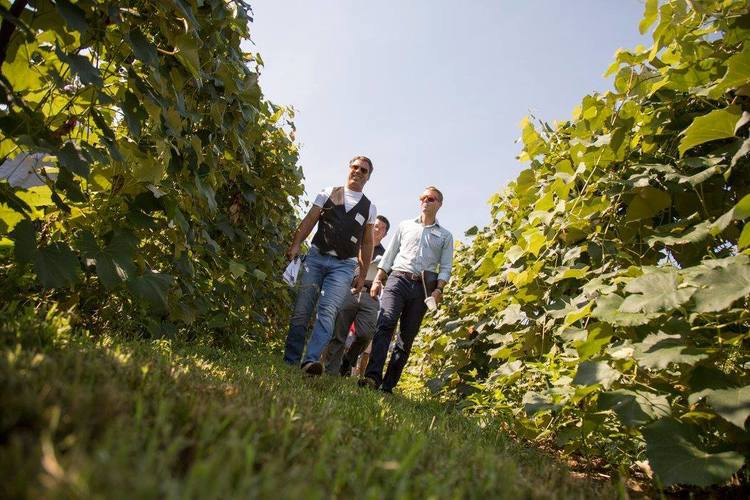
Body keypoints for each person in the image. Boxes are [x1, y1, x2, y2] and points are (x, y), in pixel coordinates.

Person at [283, 156, 377, 375]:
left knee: (327, 312)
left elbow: (367, 242)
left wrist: (362, 275)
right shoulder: (327, 193)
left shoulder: (369, 207)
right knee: (301, 311)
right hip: (315, 258)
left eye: (363, 170)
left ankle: (310, 362)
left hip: (343, 266)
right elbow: (309, 219)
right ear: (348, 169)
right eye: (355, 167)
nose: (358, 172)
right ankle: (290, 360)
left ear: (368, 176)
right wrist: (296, 244)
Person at [360, 186, 453, 393]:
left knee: (406, 337)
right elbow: (390, 254)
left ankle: (388, 385)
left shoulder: (445, 236)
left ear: (439, 204)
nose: (425, 201)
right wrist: (377, 279)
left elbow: (445, 267)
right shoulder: (405, 226)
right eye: (423, 198)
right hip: (397, 279)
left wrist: (439, 290)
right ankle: (372, 377)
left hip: (422, 289)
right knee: (385, 323)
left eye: (430, 198)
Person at [323, 214, 390, 376]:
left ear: (385, 234)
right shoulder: (357, 245)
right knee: (339, 332)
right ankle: (331, 371)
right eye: (376, 226)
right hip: (349, 290)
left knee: (366, 334)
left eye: (382, 229)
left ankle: (348, 359)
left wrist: (381, 280)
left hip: (370, 295)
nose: (377, 230)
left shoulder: (386, 255)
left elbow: (388, 278)